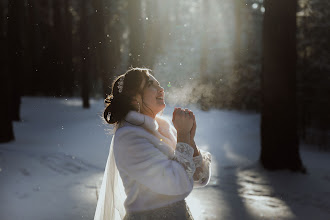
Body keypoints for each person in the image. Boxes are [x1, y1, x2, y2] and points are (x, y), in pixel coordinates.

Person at [94, 67, 212, 220]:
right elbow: (176, 183)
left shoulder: (163, 128)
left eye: (159, 84)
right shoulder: (129, 138)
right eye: (151, 84)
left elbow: (199, 179)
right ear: (133, 98)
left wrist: (189, 139)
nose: (161, 89)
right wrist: (182, 135)